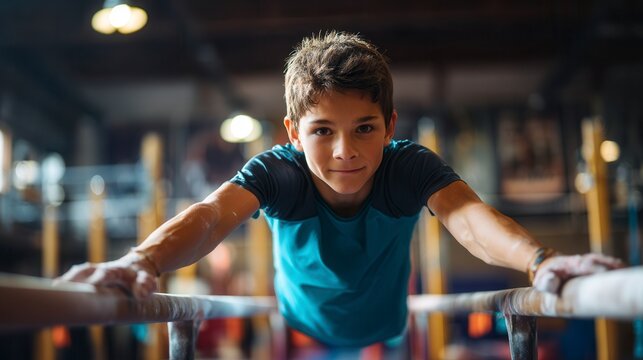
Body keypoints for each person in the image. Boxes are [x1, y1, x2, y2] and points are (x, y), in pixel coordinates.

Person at [59, 31, 623, 352]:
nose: (344, 152)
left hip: (386, 324)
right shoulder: (280, 174)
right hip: (300, 319)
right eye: (322, 132)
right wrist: (141, 259)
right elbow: (210, 217)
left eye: (365, 129)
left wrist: (541, 259)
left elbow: (469, 219)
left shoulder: (407, 170)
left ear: (390, 125)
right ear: (292, 133)